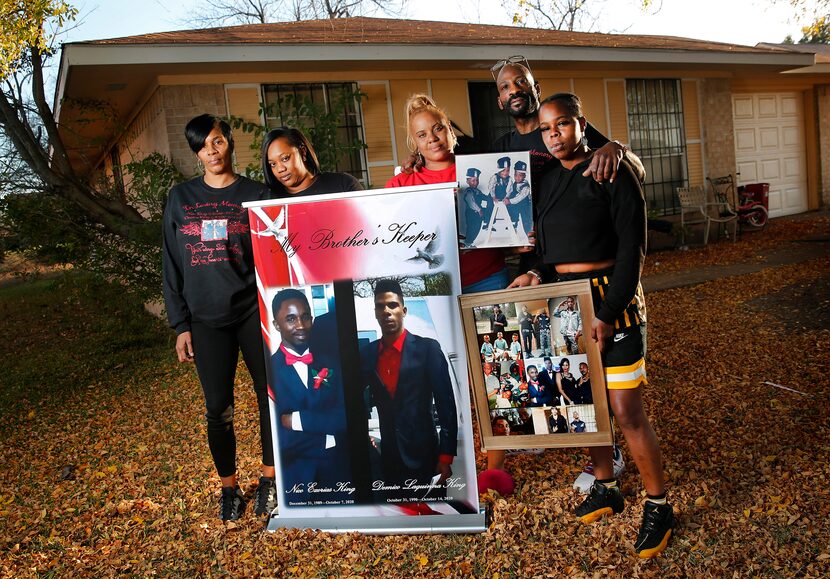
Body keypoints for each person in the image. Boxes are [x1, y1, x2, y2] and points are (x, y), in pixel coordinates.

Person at [509, 93, 672, 558]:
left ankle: (659, 505)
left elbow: (632, 251)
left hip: (612, 301)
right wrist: (535, 272)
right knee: (584, 406)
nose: (554, 133)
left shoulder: (611, 170)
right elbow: (545, 249)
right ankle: (606, 487)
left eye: (562, 124)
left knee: (625, 410)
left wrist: (605, 312)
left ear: (581, 124)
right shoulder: (545, 183)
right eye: (546, 128)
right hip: (564, 301)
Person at [162, 114, 276, 521]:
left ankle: (268, 479)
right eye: (201, 146)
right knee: (218, 408)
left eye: (216, 142)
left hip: (251, 311)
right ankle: (228, 489)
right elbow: (171, 265)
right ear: (196, 153)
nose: (210, 151)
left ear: (229, 142)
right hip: (206, 319)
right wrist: (181, 325)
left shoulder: (256, 193)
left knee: (270, 397)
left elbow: (276, 253)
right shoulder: (181, 198)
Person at [384, 94, 509, 292]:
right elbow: (389, 239)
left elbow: (504, 218)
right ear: (415, 142)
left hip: (488, 278)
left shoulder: (483, 171)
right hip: (434, 286)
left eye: (438, 128)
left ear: (450, 130)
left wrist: (521, 236)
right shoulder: (400, 184)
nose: (432, 139)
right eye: (422, 135)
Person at [360, 279, 458, 496]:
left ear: (403, 310)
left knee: (433, 521)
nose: (386, 311)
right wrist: (362, 434)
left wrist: (445, 457)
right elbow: (352, 396)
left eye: (392, 305)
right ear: (375, 312)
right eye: (380, 306)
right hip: (388, 459)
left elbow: (446, 405)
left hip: (427, 458)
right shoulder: (367, 354)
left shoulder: (428, 349)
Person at [269, 289, 349, 505]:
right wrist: (327, 438)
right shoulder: (268, 371)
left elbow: (345, 417)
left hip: (339, 476)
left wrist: (296, 420)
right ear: (277, 325)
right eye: (291, 319)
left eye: (305, 317)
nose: (301, 325)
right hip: (296, 480)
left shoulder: (331, 363)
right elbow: (278, 439)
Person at [261, 127, 362, 197]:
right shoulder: (269, 200)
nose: (280, 169)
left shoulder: (342, 184)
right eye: (273, 164)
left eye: (285, 158)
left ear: (303, 152)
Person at [462, 167, 492, 247]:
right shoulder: (469, 191)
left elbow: (483, 197)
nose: (475, 182)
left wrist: (490, 196)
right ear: (467, 181)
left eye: (477, 180)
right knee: (472, 228)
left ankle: (487, 223)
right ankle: (467, 243)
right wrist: (479, 210)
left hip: (478, 214)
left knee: (477, 228)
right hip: (472, 213)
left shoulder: (477, 191)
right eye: (473, 180)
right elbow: (471, 202)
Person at [506, 160, 532, 233]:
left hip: (526, 206)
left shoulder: (526, 186)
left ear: (524, 176)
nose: (517, 178)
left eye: (520, 175)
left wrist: (510, 201)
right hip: (517, 204)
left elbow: (521, 197)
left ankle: (528, 234)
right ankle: (514, 221)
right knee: (511, 208)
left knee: (526, 221)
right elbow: (510, 191)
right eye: (515, 175)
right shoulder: (514, 183)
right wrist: (507, 197)